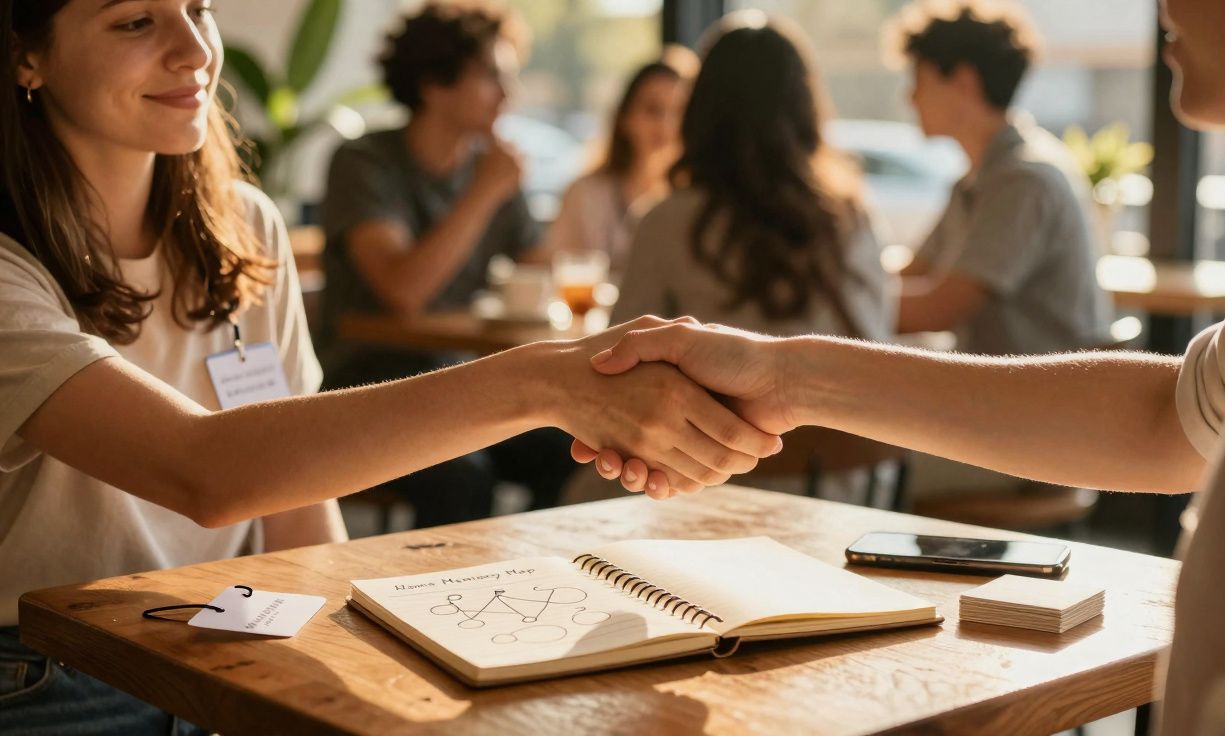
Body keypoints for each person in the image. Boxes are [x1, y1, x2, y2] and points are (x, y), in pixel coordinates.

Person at [0, 1, 781, 731]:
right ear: (26, 56)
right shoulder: (11, 267)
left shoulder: (242, 227)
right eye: (136, 20)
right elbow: (202, 469)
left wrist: (346, 656)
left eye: (199, 7)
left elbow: (297, 506)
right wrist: (544, 380)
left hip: (213, 637)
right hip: (54, 674)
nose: (196, 48)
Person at [575, 0, 1225, 729]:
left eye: (918, 76)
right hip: (849, 463)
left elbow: (934, 301)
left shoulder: (1021, 179)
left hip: (926, 476)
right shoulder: (894, 200)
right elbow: (1169, 414)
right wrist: (783, 370)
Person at [593, 13, 891, 502]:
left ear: (700, 110)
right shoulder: (854, 218)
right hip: (846, 492)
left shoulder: (668, 220)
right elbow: (879, 350)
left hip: (704, 485)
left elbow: (620, 362)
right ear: (805, 109)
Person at [315, 2, 573, 527]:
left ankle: (535, 583)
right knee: (462, 475)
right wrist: (484, 194)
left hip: (460, 378)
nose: (508, 95)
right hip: (368, 388)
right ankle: (437, 604)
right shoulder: (365, 162)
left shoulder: (490, 168)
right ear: (434, 85)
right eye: (490, 77)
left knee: (569, 448)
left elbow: (543, 273)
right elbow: (403, 290)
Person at [890, 1, 1111, 356]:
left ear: (963, 83)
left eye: (919, 79)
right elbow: (914, 273)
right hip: (999, 392)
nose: (910, 96)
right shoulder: (978, 179)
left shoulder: (1025, 180)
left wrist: (826, 302)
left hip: (1046, 400)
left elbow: (938, 308)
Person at [532, 46, 698, 272]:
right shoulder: (585, 193)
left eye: (679, 112)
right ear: (625, 117)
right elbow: (554, 268)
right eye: (652, 110)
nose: (666, 126)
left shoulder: (692, 199)